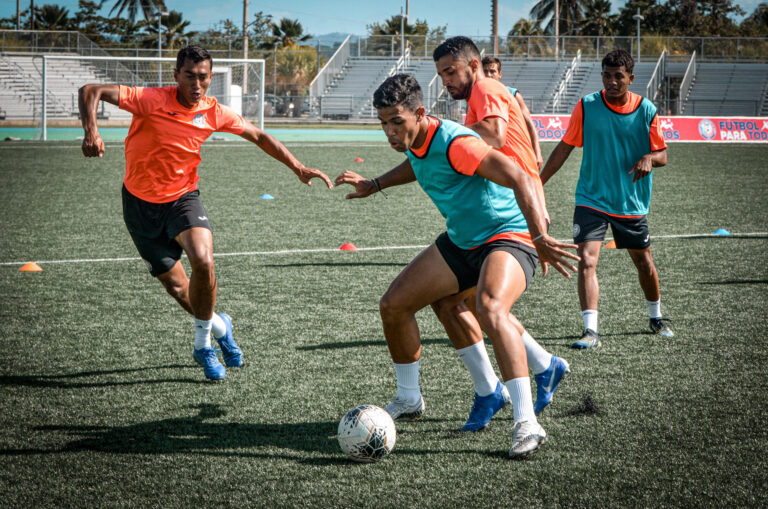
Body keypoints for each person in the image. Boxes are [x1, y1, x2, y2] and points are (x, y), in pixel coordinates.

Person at [335, 74, 579, 458]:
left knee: (491, 308)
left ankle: (526, 422)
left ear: (420, 113)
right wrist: (376, 184)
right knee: (396, 305)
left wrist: (540, 236)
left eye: (396, 122)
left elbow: (519, 176)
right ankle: (413, 398)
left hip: (508, 235)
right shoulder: (418, 141)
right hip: (463, 240)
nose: (389, 132)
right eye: (383, 123)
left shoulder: (457, 142)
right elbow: (419, 164)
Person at [78, 45, 333, 380]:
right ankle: (220, 327)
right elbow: (90, 90)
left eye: (203, 77)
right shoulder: (149, 99)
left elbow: (258, 135)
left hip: (183, 199)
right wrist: (91, 130)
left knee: (203, 259)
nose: (196, 84)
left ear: (210, 77)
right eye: (189, 76)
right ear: (176, 75)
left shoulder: (213, 111)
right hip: (139, 205)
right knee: (179, 289)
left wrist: (297, 167)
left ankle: (202, 346)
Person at [428, 36, 572, 432]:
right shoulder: (485, 92)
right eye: (441, 74)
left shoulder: (486, 87)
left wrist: (447, 134)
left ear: (473, 66)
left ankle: (521, 411)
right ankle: (544, 366)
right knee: (462, 302)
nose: (446, 81)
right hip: (510, 210)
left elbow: (492, 133)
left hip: (516, 215)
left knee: (485, 307)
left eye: (451, 71)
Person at [539, 49, 673, 349]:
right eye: (607, 76)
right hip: (591, 198)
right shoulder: (587, 106)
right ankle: (591, 331)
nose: (612, 82)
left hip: (629, 202)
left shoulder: (646, 109)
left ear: (631, 78)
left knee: (643, 262)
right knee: (587, 260)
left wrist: (649, 158)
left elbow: (663, 154)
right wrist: (538, 182)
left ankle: (656, 317)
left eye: (618, 77)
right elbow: (564, 147)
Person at [481, 55, 543, 170]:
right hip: (490, 156)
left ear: (500, 74)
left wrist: (537, 153)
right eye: (485, 71)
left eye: (492, 71)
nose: (488, 75)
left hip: (515, 154)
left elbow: (529, 123)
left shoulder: (513, 94)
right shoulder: (477, 96)